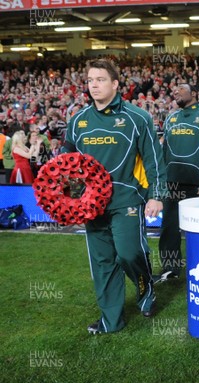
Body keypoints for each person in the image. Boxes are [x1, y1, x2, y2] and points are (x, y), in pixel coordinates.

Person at [63, 59, 166, 333]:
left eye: (100, 80)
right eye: (90, 80)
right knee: (103, 262)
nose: (94, 85)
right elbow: (66, 165)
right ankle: (111, 321)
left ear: (116, 84)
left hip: (127, 199)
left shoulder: (137, 117)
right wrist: (69, 202)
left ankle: (146, 289)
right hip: (91, 205)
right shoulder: (78, 121)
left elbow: (154, 160)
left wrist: (156, 195)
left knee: (129, 253)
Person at [156, 83, 199, 282]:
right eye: (174, 90)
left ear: (194, 93)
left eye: (181, 89)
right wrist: (161, 179)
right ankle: (170, 268)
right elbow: (164, 150)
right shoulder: (171, 117)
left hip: (198, 185)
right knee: (169, 228)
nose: (176, 92)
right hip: (172, 182)